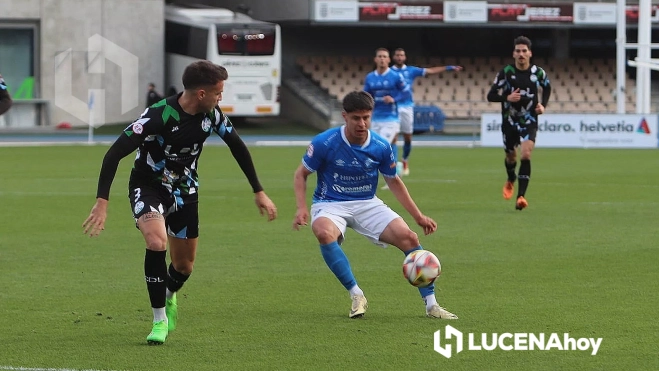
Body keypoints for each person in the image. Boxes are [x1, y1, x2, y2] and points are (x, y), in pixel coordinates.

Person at [82, 60, 278, 345]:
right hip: (148, 187)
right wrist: (102, 202)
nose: (221, 98)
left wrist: (258, 190)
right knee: (156, 242)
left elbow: (237, 145)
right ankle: (159, 319)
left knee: (184, 266)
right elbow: (114, 153)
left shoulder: (212, 115)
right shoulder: (160, 115)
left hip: (185, 191)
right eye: (218, 93)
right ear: (201, 93)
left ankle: (170, 295)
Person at [292, 91, 458, 320]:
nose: (362, 123)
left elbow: (394, 182)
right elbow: (301, 175)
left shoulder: (380, 145)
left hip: (366, 202)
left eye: (366, 117)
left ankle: (431, 305)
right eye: (356, 118)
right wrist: (301, 208)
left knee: (409, 238)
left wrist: (418, 216)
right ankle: (356, 294)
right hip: (330, 203)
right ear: (344, 117)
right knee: (323, 232)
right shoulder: (325, 142)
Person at [486, 36, 551, 210]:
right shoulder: (506, 72)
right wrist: (506, 97)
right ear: (513, 53)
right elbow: (490, 95)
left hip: (529, 120)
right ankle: (510, 178)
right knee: (511, 157)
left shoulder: (538, 73)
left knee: (526, 154)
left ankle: (521, 197)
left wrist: (542, 105)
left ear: (530, 53)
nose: (521, 54)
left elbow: (547, 87)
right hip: (509, 121)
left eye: (524, 51)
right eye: (518, 51)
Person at [391, 48, 463, 175]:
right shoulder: (389, 72)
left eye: (401, 55)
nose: (399, 57)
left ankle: (405, 160)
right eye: (397, 55)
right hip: (393, 107)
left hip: (407, 107)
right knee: (393, 137)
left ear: (405, 57)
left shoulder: (411, 70)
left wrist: (448, 68)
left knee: (408, 138)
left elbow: (430, 71)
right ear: (394, 57)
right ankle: (394, 165)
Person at [363, 47, 411, 188]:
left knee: (378, 147)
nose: (382, 59)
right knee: (387, 146)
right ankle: (396, 170)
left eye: (385, 56)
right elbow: (366, 95)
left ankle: (373, 177)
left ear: (389, 60)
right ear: (375, 59)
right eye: (380, 56)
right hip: (376, 118)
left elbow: (406, 93)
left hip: (391, 118)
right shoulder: (370, 77)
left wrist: (394, 99)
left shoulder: (395, 76)